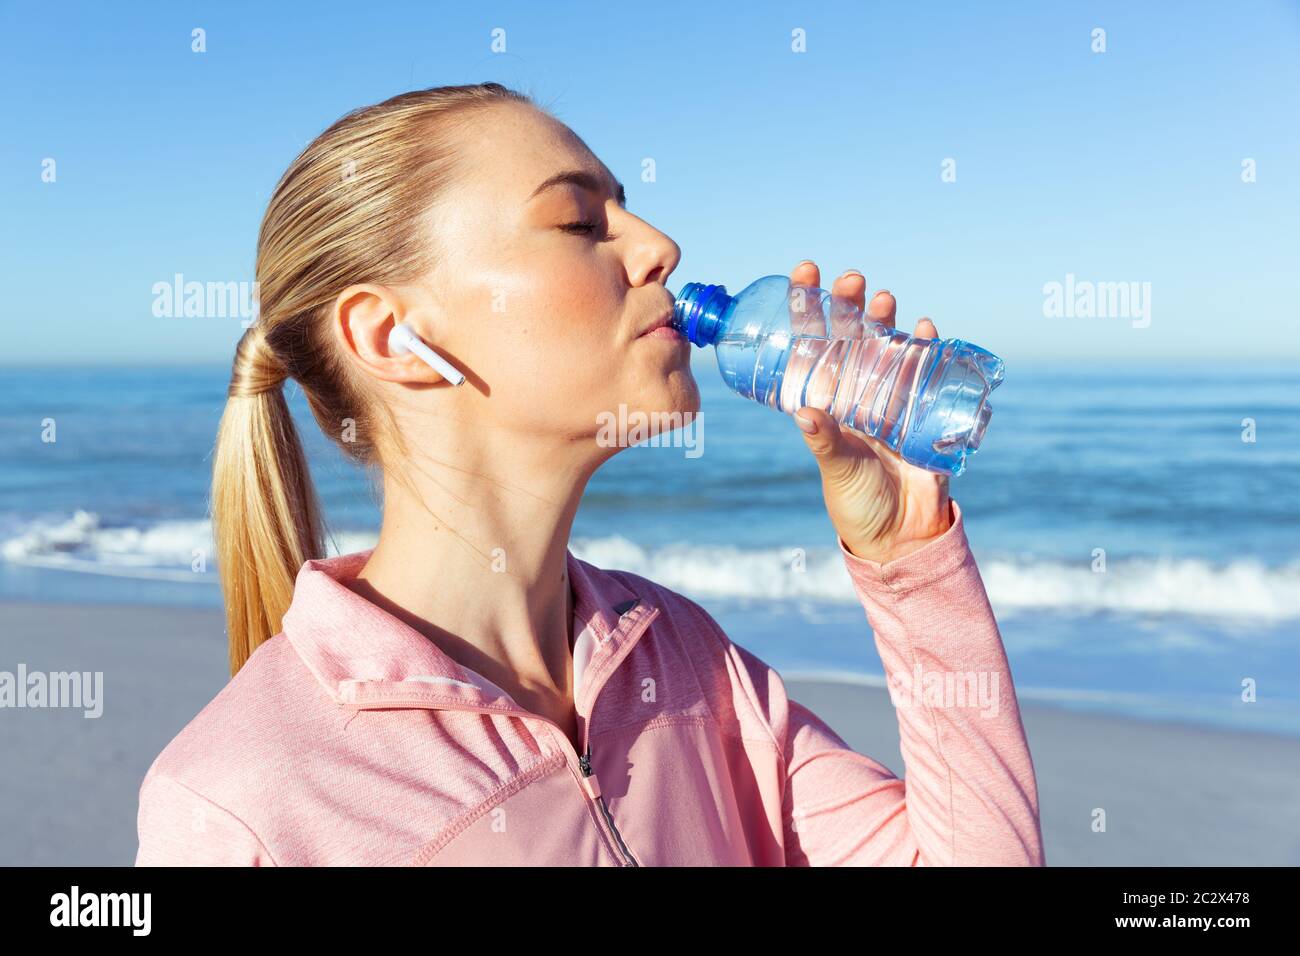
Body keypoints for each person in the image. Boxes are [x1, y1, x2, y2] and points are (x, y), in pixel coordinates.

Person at [134, 82, 1044, 866]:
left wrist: (906, 553)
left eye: (627, 208)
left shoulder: (685, 658)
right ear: (391, 339)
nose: (659, 247)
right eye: (578, 220)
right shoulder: (241, 805)